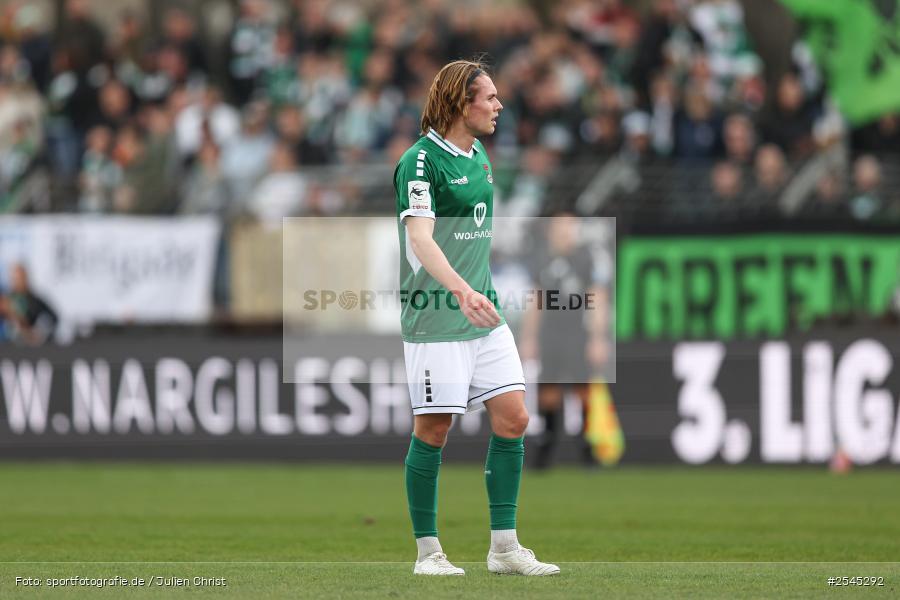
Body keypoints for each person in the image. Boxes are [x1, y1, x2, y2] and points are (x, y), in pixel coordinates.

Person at [394, 59, 559, 577]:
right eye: (489, 97)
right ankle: (428, 553)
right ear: (459, 103)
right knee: (434, 429)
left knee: (515, 418)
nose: (498, 105)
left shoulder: (480, 154)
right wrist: (462, 290)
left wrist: (476, 291)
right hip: (438, 314)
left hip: (482, 310)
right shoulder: (420, 162)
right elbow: (420, 239)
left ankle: (504, 549)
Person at [519, 212, 609, 470]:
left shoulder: (585, 259)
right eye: (560, 228)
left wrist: (597, 338)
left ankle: (586, 445)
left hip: (577, 333)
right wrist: (529, 337)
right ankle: (547, 445)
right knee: (549, 392)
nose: (565, 233)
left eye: (569, 228)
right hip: (551, 334)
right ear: (551, 232)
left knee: (583, 391)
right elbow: (535, 301)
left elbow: (597, 298)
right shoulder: (543, 260)